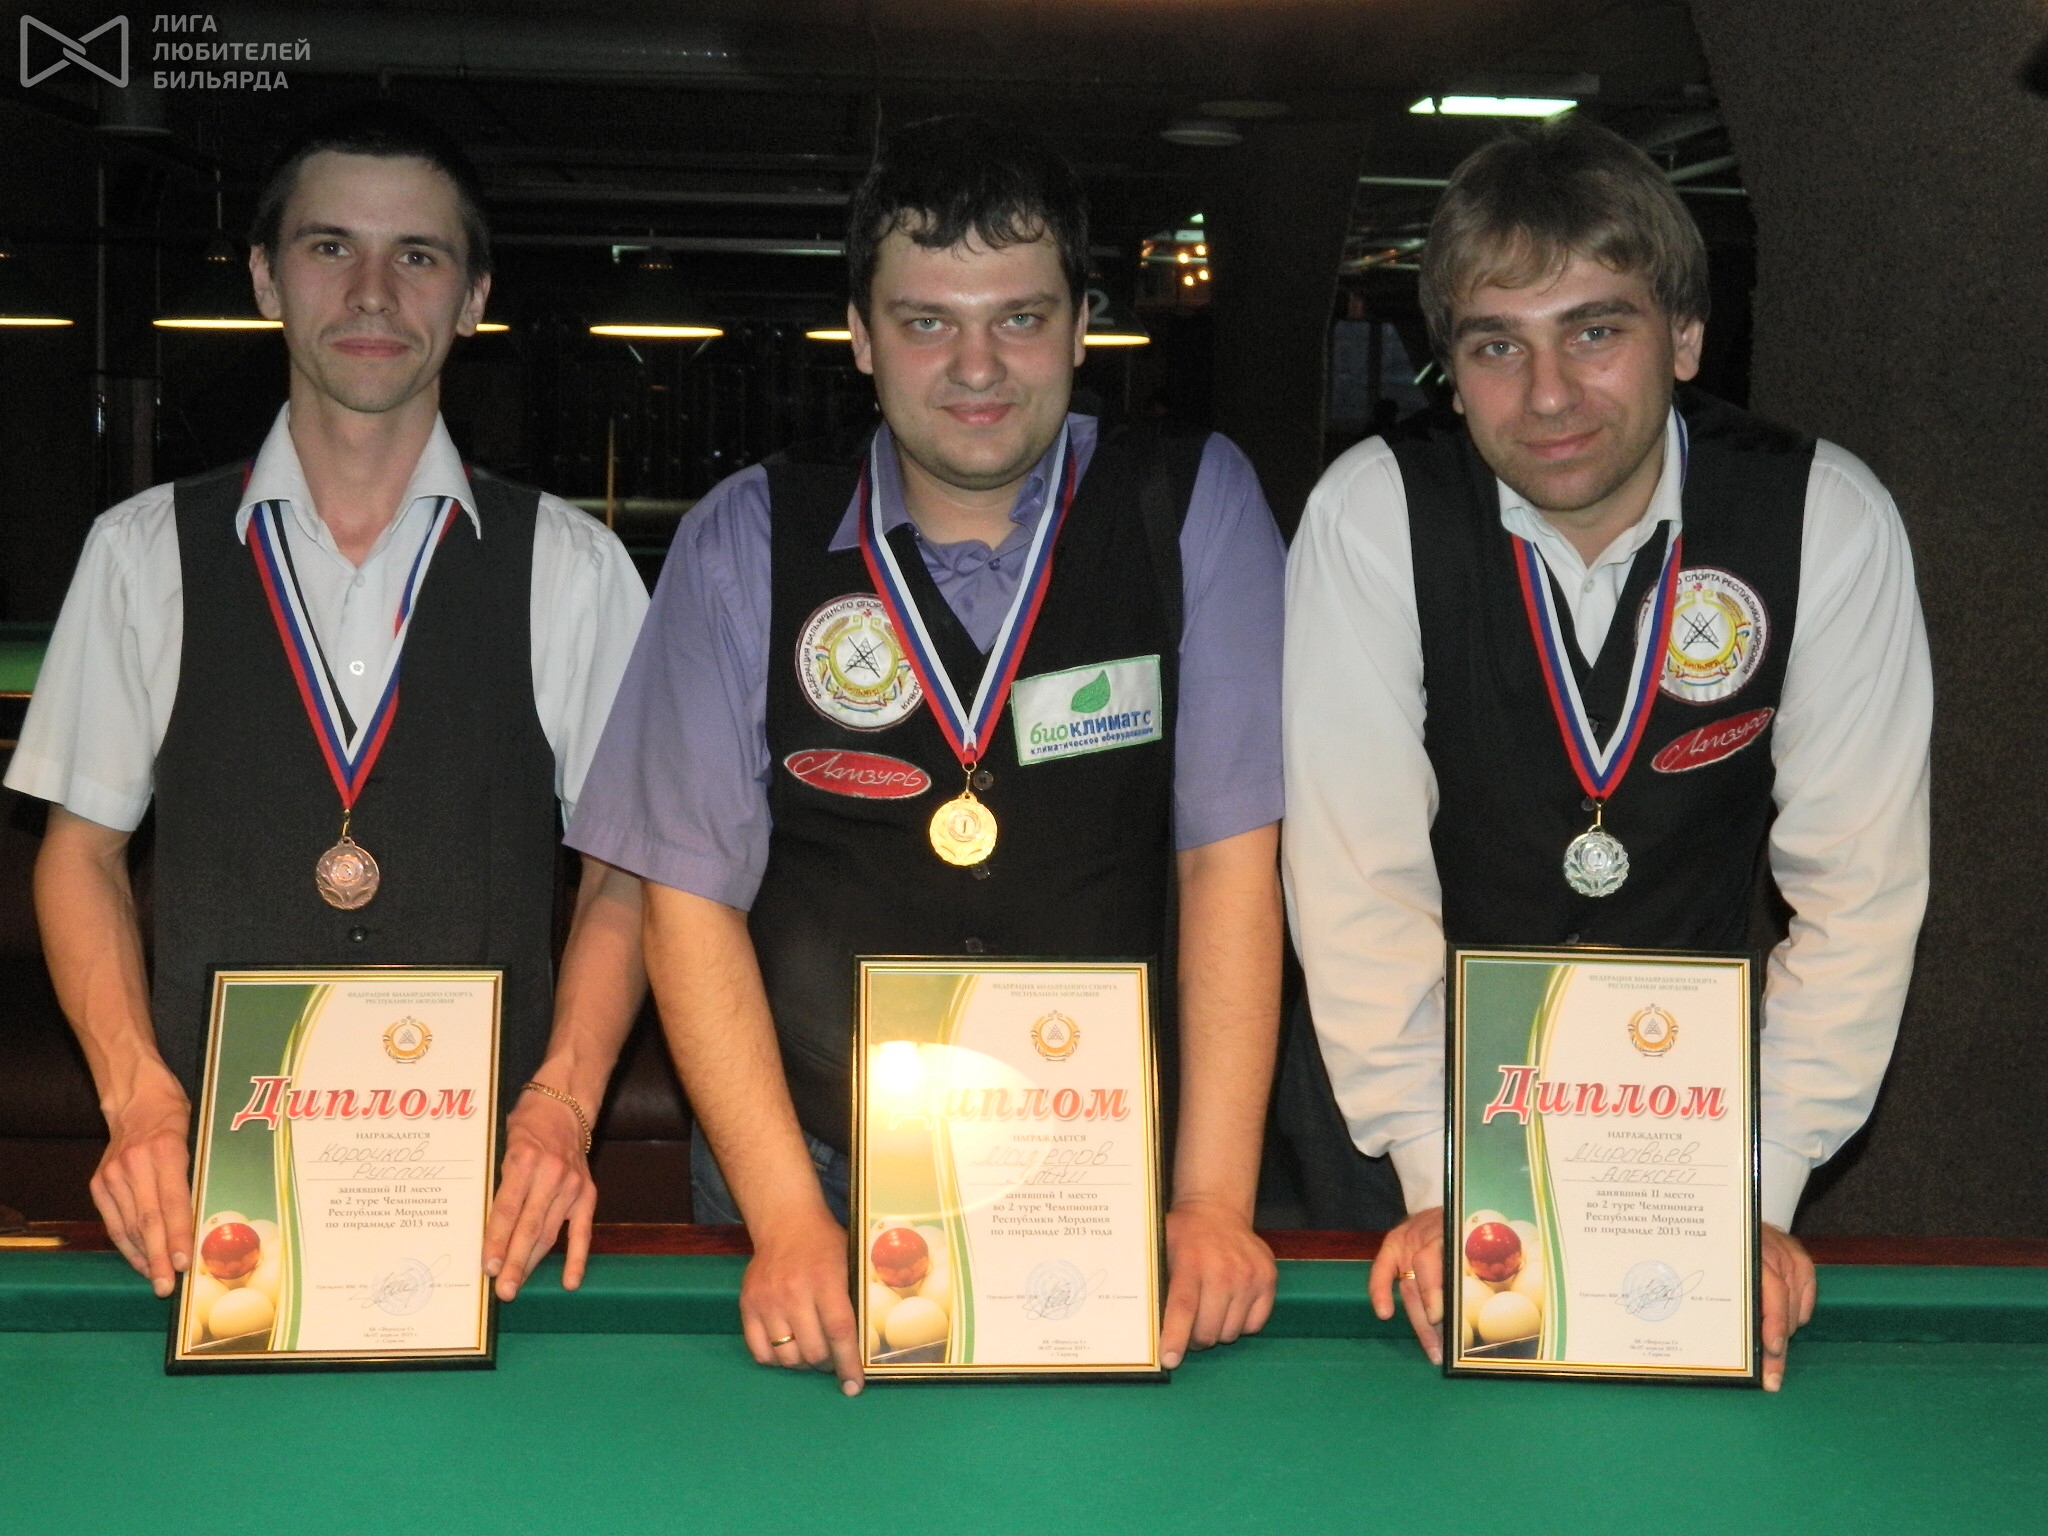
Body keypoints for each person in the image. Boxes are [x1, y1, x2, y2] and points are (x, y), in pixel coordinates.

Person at [568, 116, 1286, 1394]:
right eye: (924, 322)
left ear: (1080, 326)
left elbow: (1228, 864)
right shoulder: (745, 536)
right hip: (810, 1167)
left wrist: (1212, 1199)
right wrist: (785, 1214)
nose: (975, 367)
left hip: (1106, 1165)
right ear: (859, 335)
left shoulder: (1191, 504)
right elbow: (685, 902)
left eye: (1019, 319)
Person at [1282, 114, 1930, 1391]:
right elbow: (1357, 884)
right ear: (1448, 369)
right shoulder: (1370, 512)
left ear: (1682, 336)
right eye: (1495, 345)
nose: (1546, 394)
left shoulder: (1821, 518)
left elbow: (1857, 891)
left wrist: (1752, 1190)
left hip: (1690, 1127)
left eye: (1593, 331)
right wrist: (1438, 1172)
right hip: (1406, 1132)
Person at [7, 103, 649, 1305]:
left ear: (473, 297)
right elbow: (78, 856)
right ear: (264, 278)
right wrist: (136, 1099)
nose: (370, 291)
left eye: (418, 256)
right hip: (213, 1204)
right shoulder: (140, 552)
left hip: (485, 1208)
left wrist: (561, 1106)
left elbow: (626, 879)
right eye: (328, 246)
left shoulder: (573, 567)